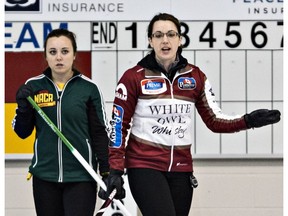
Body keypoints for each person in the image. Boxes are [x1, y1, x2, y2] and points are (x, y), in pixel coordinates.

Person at [99, 13, 281, 216]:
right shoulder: (133, 77)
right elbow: (118, 126)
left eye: (170, 34)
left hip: (181, 167)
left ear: (180, 39)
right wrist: (115, 170)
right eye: (158, 35)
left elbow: (214, 120)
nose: (165, 40)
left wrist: (248, 121)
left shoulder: (195, 76)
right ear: (150, 40)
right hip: (144, 165)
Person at [12, 28, 110, 216]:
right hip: (44, 177)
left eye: (65, 51)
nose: (59, 57)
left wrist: (107, 171)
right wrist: (23, 108)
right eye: (53, 52)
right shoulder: (33, 86)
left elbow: (99, 133)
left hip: (81, 176)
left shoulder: (89, 89)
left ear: (74, 55)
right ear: (46, 56)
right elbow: (22, 132)